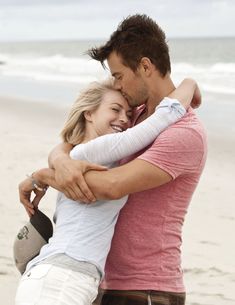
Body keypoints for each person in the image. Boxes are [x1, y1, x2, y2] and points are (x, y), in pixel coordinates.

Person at [40, 14, 207, 305]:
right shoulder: (133, 117)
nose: (116, 86)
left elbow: (112, 185)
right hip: (103, 281)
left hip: (147, 290)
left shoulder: (185, 133)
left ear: (145, 66)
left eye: (118, 76)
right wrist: (61, 160)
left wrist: (43, 176)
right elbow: (77, 142)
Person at [16, 78, 197, 305]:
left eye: (129, 113)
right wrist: (189, 84)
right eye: (115, 109)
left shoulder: (81, 155)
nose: (124, 118)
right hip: (61, 277)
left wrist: (41, 175)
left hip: (67, 277)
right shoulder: (92, 151)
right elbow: (162, 118)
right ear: (89, 113)